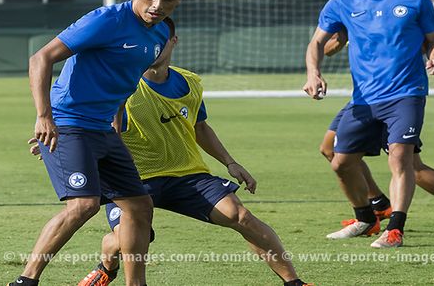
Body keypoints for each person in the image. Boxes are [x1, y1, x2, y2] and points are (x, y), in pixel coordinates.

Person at [50, 18, 310, 286]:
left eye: (158, 42)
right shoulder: (122, 84)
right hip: (133, 180)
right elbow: (91, 124)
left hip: (187, 176)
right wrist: (63, 137)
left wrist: (230, 162)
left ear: (173, 42)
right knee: (127, 238)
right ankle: (107, 263)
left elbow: (200, 127)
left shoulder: (190, 82)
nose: (151, 48)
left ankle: (294, 283)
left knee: (240, 216)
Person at [9, 0, 201, 286]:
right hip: (70, 122)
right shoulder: (106, 20)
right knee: (83, 206)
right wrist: (45, 119)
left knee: (140, 207)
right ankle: (26, 280)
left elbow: (123, 79)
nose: (157, 5)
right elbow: (40, 58)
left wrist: (115, 122)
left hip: (101, 130)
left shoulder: (161, 32)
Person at [304, 0, 434, 248]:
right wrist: (313, 74)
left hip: (406, 93)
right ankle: (367, 217)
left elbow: (433, 41)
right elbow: (318, 43)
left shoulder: (415, 0)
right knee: (341, 162)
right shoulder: (343, 3)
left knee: (401, 158)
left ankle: (395, 228)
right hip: (364, 99)